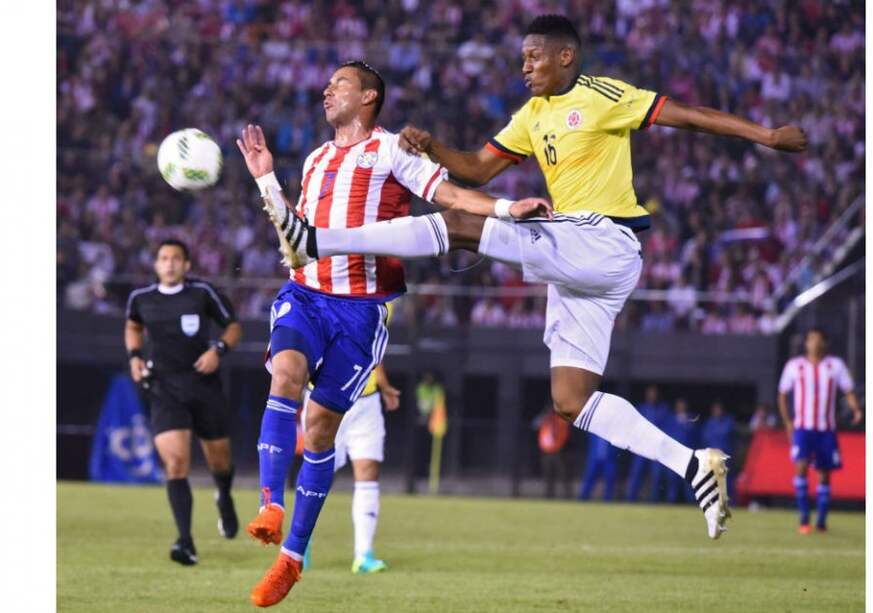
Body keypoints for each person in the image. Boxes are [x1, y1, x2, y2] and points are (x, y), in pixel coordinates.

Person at [259, 14, 809, 543]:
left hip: (601, 239)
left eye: (533, 57)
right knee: (571, 400)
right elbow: (475, 169)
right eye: (522, 58)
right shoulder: (531, 114)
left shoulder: (602, 95)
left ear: (564, 56)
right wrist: (431, 148)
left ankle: (315, 241)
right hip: (577, 270)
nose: (524, 67)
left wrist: (765, 134)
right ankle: (693, 465)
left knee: (458, 225)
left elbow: (687, 114)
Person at [236, 61, 548, 607]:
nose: (327, 89)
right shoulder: (314, 160)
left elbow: (448, 196)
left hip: (362, 311)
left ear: (369, 97)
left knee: (321, 431)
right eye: (328, 83)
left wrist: (505, 208)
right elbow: (296, 235)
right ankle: (270, 505)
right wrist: (267, 179)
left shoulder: (391, 151)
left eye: (340, 84)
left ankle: (292, 557)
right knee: (284, 376)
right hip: (305, 295)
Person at [124, 239, 242, 565]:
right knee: (176, 464)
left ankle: (224, 495)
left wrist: (218, 350)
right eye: (164, 258)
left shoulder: (202, 292)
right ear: (157, 264)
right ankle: (185, 542)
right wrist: (134, 356)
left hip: (204, 386)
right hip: (164, 389)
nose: (170, 263)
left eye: (176, 258)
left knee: (220, 462)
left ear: (187, 265)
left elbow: (233, 327)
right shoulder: (141, 298)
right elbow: (133, 326)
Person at [302, 358, 400, 574]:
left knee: (368, 472)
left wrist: (382, 383)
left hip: (366, 401)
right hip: (325, 398)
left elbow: (376, 344)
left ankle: (363, 555)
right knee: (318, 473)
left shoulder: (378, 321)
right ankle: (300, 544)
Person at [777, 327, 862, 534]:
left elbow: (848, 390)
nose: (814, 343)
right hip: (803, 428)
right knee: (801, 467)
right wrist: (788, 421)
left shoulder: (836, 366)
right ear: (805, 343)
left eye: (818, 340)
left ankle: (822, 520)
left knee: (825, 474)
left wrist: (856, 408)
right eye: (811, 340)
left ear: (825, 343)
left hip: (826, 429)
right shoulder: (794, 366)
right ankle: (804, 518)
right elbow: (782, 394)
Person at [625, 385, 670, 502]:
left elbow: (666, 429)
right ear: (646, 395)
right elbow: (633, 426)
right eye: (650, 393)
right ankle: (630, 500)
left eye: (654, 393)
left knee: (656, 475)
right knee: (636, 473)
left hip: (656, 447)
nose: (652, 396)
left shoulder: (663, 409)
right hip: (641, 447)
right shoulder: (641, 408)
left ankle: (654, 501)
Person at [701, 401, 736, 499]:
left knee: (726, 480)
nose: (717, 412)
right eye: (715, 410)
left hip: (724, 456)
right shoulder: (709, 423)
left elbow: (728, 435)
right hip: (712, 457)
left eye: (719, 410)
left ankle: (730, 502)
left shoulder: (728, 422)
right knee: (711, 480)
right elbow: (705, 439)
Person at [536, 404, 572, 499]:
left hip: (558, 452)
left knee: (563, 475)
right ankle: (548, 496)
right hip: (546, 452)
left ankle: (567, 496)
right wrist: (544, 417)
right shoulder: (545, 421)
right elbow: (535, 424)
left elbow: (565, 430)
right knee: (547, 475)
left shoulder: (560, 420)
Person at [578, 432, 619, 502]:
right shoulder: (595, 429)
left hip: (609, 459)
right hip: (594, 458)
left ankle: (608, 501)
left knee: (610, 480)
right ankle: (582, 499)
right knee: (588, 479)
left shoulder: (613, 431)